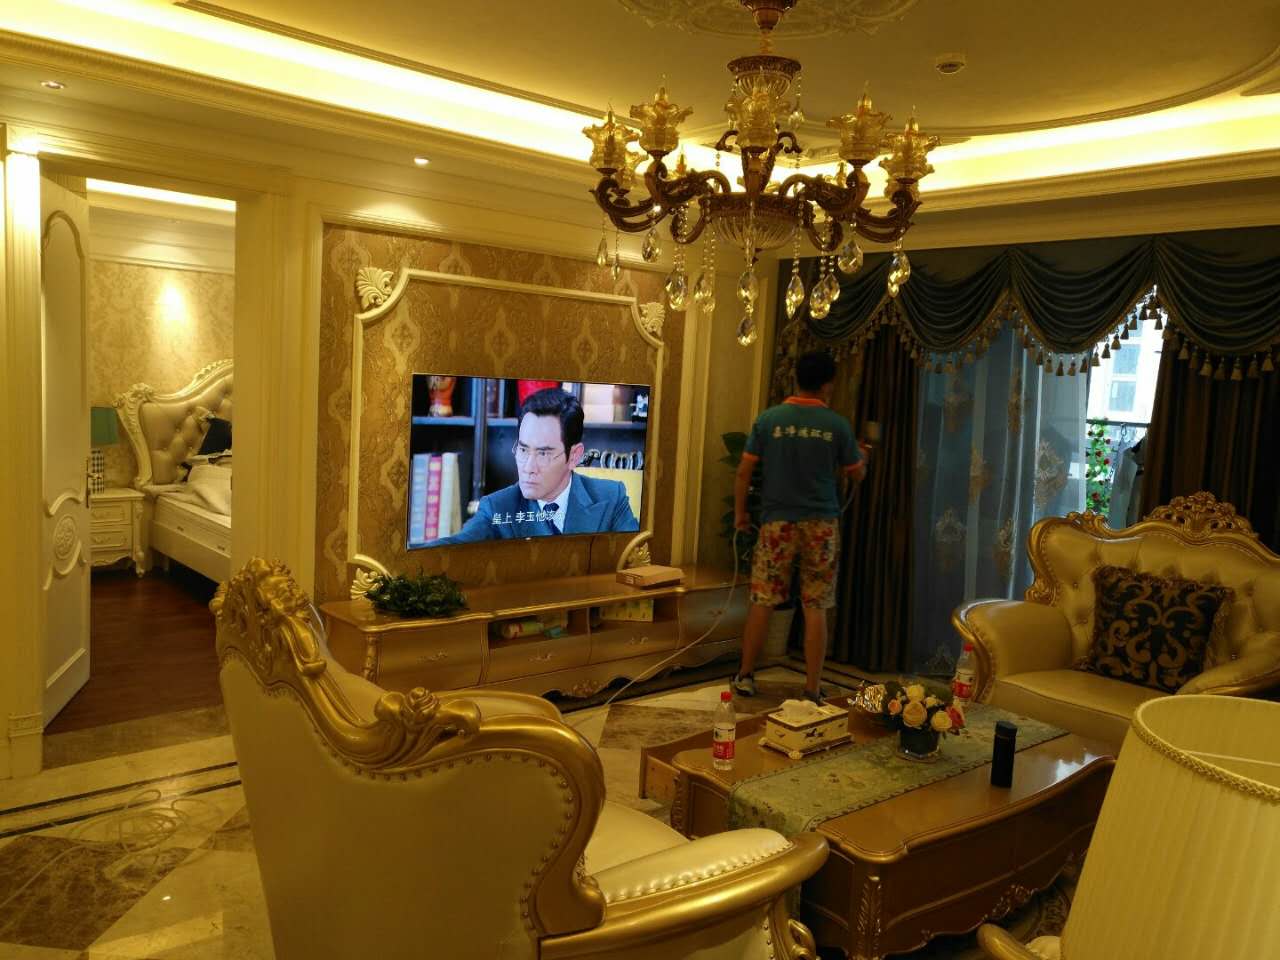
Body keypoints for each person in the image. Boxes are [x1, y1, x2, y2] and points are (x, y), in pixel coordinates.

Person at [731, 350, 867, 704]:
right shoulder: (837, 425)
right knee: (816, 605)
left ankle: (746, 675)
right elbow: (857, 473)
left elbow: (744, 472)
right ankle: (812, 688)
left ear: (796, 379)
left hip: (777, 524)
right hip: (821, 526)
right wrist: (862, 457)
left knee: (763, 600)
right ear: (828, 385)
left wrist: (741, 515)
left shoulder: (769, 420)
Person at [430, 387, 638, 544]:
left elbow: (636, 560)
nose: (528, 467)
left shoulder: (611, 498)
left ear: (574, 456)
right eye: (523, 450)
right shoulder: (498, 507)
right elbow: (454, 547)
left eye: (543, 453)